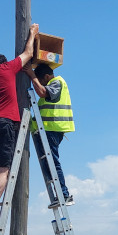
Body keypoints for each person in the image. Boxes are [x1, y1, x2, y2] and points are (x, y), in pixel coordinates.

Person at [0, 23, 39, 229]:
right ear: (3, 62)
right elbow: (28, 52)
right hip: (4, 122)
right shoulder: (8, 68)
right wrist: (32, 33)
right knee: (3, 168)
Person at [24, 62, 74, 208]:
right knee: (48, 163)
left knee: (53, 162)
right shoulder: (50, 85)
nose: (38, 84)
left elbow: (42, 92)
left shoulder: (58, 82)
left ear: (46, 76)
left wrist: (31, 75)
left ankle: (64, 194)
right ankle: (59, 194)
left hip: (53, 129)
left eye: (40, 81)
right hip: (46, 130)